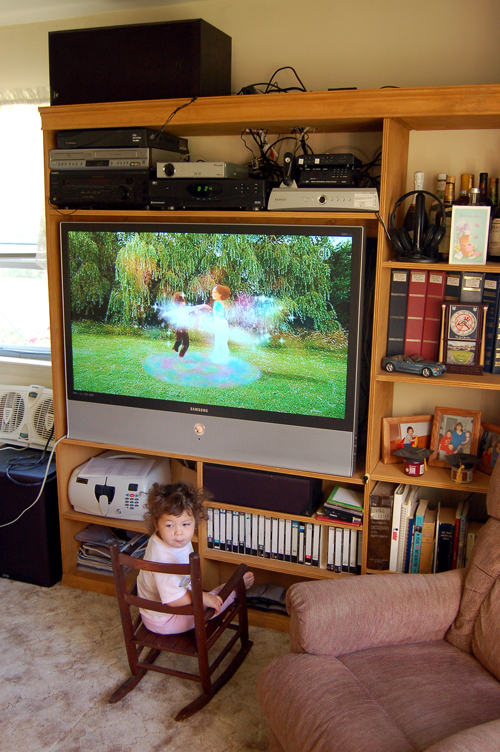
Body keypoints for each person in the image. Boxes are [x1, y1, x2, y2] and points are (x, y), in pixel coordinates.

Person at [137, 481, 254, 635]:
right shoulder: (164, 562)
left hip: (166, 603)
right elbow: (174, 601)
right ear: (156, 524)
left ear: (195, 523)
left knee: (209, 596)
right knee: (215, 603)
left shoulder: (166, 539)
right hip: (166, 620)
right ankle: (234, 590)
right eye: (170, 525)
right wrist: (203, 598)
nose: (179, 532)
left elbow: (180, 580)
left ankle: (222, 590)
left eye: (185, 524)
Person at [170, 291, 210, 359]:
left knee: (179, 341)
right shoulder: (184, 309)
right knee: (186, 343)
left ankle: (174, 351)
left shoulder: (179, 310)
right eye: (183, 301)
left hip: (180, 328)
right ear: (180, 303)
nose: (184, 303)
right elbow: (195, 307)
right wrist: (204, 306)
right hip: (182, 328)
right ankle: (180, 356)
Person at [211, 284, 231, 364]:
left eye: (215, 292)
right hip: (218, 323)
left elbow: (225, 309)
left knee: (222, 341)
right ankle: (218, 358)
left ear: (220, 294)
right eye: (213, 293)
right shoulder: (216, 303)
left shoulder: (220, 303)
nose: (213, 294)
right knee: (217, 341)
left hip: (221, 323)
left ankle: (224, 359)